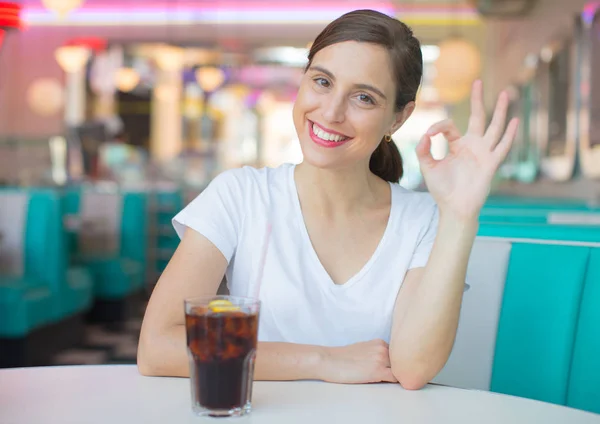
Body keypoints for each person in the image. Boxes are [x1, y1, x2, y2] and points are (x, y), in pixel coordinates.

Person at [137, 9, 518, 390]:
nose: (332, 112)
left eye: (364, 98)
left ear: (398, 119)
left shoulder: (421, 220)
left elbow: (413, 368)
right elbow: (157, 347)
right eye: (322, 82)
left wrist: (460, 214)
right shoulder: (240, 195)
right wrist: (321, 360)